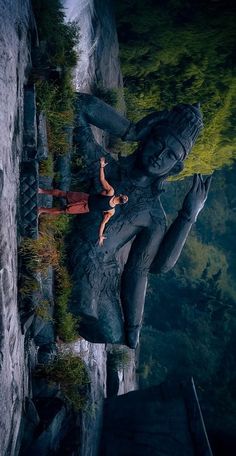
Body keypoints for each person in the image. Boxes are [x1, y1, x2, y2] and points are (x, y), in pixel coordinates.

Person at [38, 156, 128, 246]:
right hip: (85, 201)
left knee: (63, 199)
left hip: (85, 205)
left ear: (120, 195)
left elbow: (102, 179)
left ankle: (41, 197)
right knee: (63, 203)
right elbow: (103, 223)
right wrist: (100, 236)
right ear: (121, 203)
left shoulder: (111, 194)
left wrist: (101, 167)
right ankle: (41, 204)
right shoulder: (111, 210)